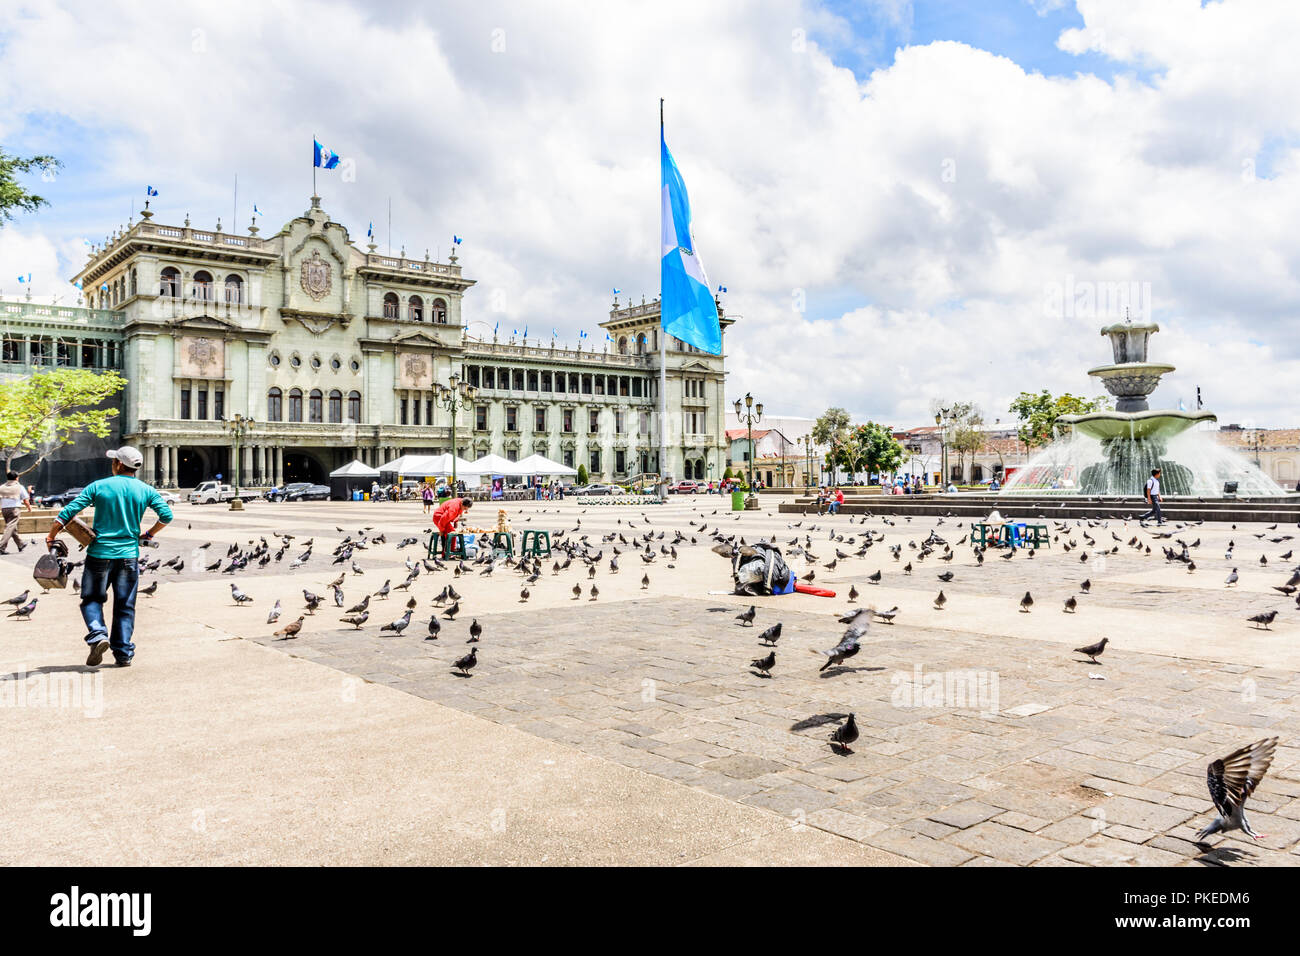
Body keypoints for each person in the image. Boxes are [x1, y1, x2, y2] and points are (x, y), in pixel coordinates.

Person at [45, 446, 173, 667]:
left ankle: (97, 634)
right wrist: (149, 533)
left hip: (99, 555)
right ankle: (123, 654)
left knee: (92, 599)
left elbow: (68, 512)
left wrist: (51, 535)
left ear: (119, 464)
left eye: (114, 461)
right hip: (129, 556)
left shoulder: (99, 486)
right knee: (125, 606)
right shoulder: (145, 490)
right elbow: (167, 515)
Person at [0, 470, 33, 554]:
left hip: (4, 509)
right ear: (17, 478)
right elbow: (25, 500)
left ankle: (20, 544)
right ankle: (1, 547)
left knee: (12, 527)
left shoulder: (2, 487)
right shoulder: (19, 487)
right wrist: (29, 507)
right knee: (10, 527)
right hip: (14, 509)